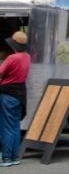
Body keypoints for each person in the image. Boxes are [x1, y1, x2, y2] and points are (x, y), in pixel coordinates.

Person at [0, 31, 31, 166]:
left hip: (8, 94)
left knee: (6, 126)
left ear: (14, 45)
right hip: (21, 94)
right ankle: (15, 157)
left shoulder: (12, 58)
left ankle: (6, 158)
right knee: (15, 126)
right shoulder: (27, 57)